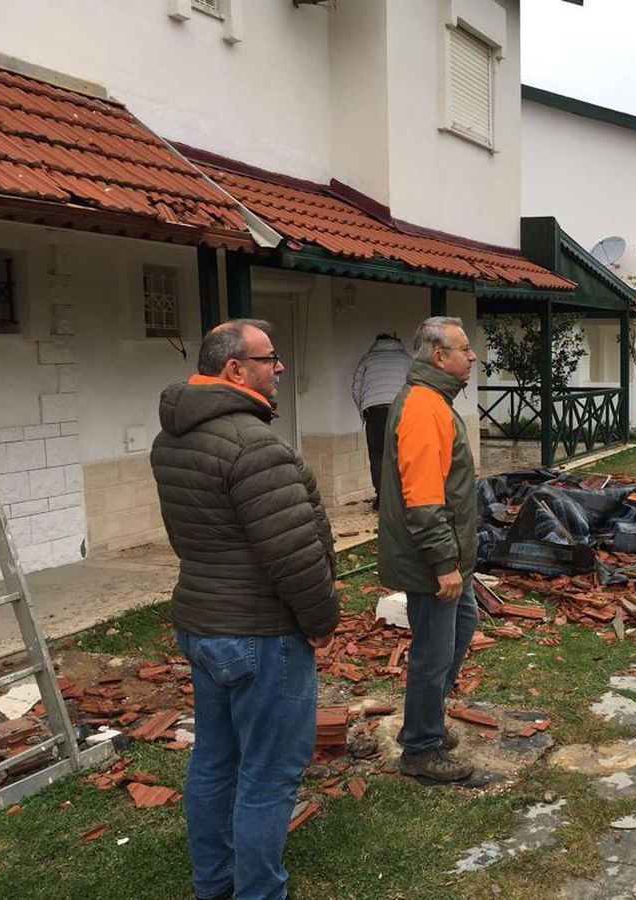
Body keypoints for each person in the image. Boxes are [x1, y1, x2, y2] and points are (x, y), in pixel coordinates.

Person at [151, 319, 339, 900]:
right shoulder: (253, 445)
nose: (279, 367)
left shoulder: (173, 438)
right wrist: (322, 621)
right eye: (269, 358)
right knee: (268, 775)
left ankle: (215, 885)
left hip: (203, 627)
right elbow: (294, 553)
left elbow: (197, 537)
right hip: (260, 634)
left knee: (215, 761)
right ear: (234, 369)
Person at [378, 316, 479, 783]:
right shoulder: (422, 406)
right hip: (431, 559)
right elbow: (423, 499)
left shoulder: (435, 400)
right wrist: (443, 563)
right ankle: (420, 748)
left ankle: (427, 723)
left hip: (448, 554)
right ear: (439, 356)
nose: (472, 355)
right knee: (432, 653)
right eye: (464, 348)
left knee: (462, 627)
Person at [351, 333, 412, 509]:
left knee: (377, 457)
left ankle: (382, 498)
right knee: (402, 456)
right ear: (398, 342)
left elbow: (356, 388)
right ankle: (403, 497)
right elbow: (415, 386)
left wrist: (364, 411)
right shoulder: (406, 359)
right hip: (401, 412)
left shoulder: (367, 359)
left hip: (375, 412)